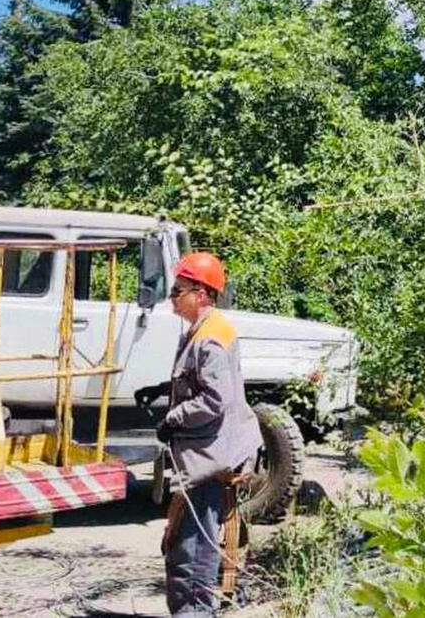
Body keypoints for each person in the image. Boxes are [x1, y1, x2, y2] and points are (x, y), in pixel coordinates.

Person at [158, 252, 263, 618]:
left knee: (193, 553)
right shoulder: (205, 329)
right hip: (207, 451)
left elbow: (216, 398)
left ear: (200, 293)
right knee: (187, 547)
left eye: (178, 290)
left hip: (209, 459)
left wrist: (174, 418)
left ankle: (195, 614)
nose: (172, 296)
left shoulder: (210, 338)